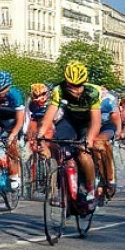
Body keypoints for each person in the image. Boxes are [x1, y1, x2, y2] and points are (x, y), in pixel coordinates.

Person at [36, 62, 102, 207]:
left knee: (84, 153)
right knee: (60, 148)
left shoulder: (92, 92)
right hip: (69, 121)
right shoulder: (59, 90)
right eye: (72, 85)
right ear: (67, 82)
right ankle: (63, 186)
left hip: (87, 123)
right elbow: (50, 115)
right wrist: (40, 134)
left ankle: (90, 188)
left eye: (79, 86)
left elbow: (96, 121)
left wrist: (89, 140)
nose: (76, 90)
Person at [0, 71, 26, 194]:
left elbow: (20, 119)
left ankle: (14, 176)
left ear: (8, 87)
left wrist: (13, 134)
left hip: (13, 121)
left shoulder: (15, 95)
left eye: (1, 92)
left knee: (11, 144)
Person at [94, 85, 122, 199]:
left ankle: (110, 179)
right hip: (90, 126)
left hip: (106, 126)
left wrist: (118, 131)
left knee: (101, 143)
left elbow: (115, 117)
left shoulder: (108, 100)